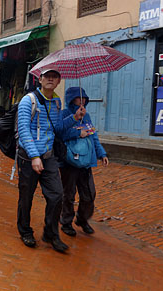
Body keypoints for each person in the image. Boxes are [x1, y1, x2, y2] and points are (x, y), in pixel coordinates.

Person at [16, 67, 85, 252]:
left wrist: (74, 117)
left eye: (54, 77)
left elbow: (57, 128)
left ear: (59, 81)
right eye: (47, 76)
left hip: (48, 156)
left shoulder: (56, 102)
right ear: (40, 79)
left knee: (56, 196)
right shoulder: (27, 101)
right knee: (26, 198)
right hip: (28, 158)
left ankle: (51, 233)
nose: (50, 79)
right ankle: (25, 231)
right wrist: (34, 156)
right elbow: (23, 130)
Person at [59, 87, 109, 237]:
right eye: (78, 98)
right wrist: (77, 132)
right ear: (70, 99)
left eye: (84, 98)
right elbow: (59, 133)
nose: (82, 101)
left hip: (86, 160)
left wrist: (101, 153)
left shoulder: (87, 117)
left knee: (89, 194)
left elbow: (93, 136)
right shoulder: (64, 114)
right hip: (69, 161)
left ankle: (82, 219)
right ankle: (66, 222)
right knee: (68, 194)